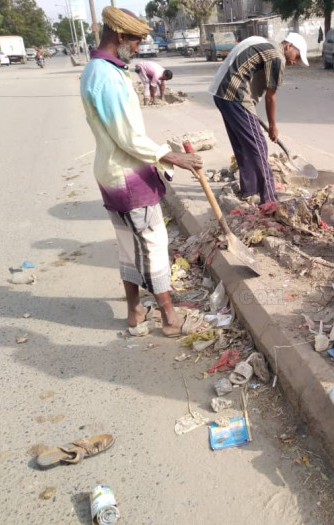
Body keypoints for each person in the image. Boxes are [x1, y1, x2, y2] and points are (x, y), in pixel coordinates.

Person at [79, 6, 203, 336]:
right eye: (135, 41)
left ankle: (135, 313)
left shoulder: (99, 70)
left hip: (113, 172)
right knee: (151, 245)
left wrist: (164, 157)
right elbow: (128, 137)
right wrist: (171, 156)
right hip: (127, 176)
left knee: (127, 245)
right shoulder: (106, 77)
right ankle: (169, 317)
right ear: (119, 37)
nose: (138, 48)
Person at [208, 32, 309, 204]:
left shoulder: (264, 44)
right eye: (296, 57)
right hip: (235, 95)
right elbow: (271, 96)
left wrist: (251, 106)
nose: (294, 62)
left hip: (221, 93)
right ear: (289, 46)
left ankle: (249, 190)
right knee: (259, 146)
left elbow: (254, 81)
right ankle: (269, 199)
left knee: (243, 145)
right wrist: (273, 126)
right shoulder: (277, 56)